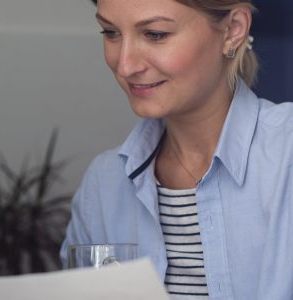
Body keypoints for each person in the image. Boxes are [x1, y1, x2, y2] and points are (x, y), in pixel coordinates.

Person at [60, 0, 293, 299]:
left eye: (155, 34)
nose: (126, 65)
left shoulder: (285, 155)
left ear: (233, 30)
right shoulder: (103, 185)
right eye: (110, 32)